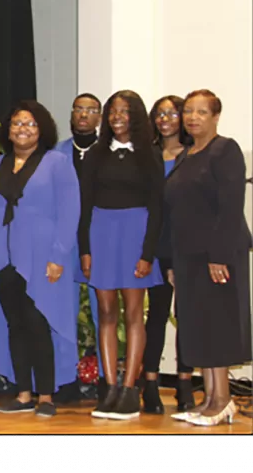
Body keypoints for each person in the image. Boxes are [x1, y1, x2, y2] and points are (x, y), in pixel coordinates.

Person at [0, 100, 80, 418]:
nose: (23, 129)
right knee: (15, 324)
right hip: (0, 256)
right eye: (17, 123)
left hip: (42, 257)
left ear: (42, 129)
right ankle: (23, 394)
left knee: (38, 322)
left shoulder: (57, 163)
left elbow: (69, 211)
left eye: (30, 123)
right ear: (8, 130)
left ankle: (46, 395)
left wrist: (59, 255)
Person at [164, 89, 252, 426]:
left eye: (201, 112)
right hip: (188, 256)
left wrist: (219, 256)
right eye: (188, 111)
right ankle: (210, 399)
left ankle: (223, 399)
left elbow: (230, 206)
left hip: (218, 255)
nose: (193, 118)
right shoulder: (186, 155)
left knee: (218, 325)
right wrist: (172, 262)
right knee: (199, 326)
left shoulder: (225, 150)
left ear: (216, 116)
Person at [78, 90, 165, 420]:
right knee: (105, 311)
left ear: (136, 116)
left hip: (135, 234)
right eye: (113, 111)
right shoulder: (95, 154)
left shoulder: (150, 154)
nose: (117, 117)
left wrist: (147, 253)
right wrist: (85, 249)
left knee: (133, 313)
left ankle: (130, 389)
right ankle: (110, 387)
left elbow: (157, 207)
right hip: (101, 232)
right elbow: (84, 204)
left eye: (125, 111)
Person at [141, 95, 195, 414]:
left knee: (186, 316)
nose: (165, 119)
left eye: (172, 113)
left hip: (187, 245)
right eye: (160, 114)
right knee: (156, 316)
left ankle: (185, 384)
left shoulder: (194, 154)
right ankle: (149, 384)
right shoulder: (147, 155)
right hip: (154, 245)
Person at [52, 93, 106, 403]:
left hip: (100, 241)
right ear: (71, 114)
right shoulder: (56, 153)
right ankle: (65, 379)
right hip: (65, 241)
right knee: (63, 312)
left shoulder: (109, 152)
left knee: (104, 311)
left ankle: (106, 379)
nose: (84, 114)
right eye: (79, 109)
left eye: (91, 110)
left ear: (99, 117)